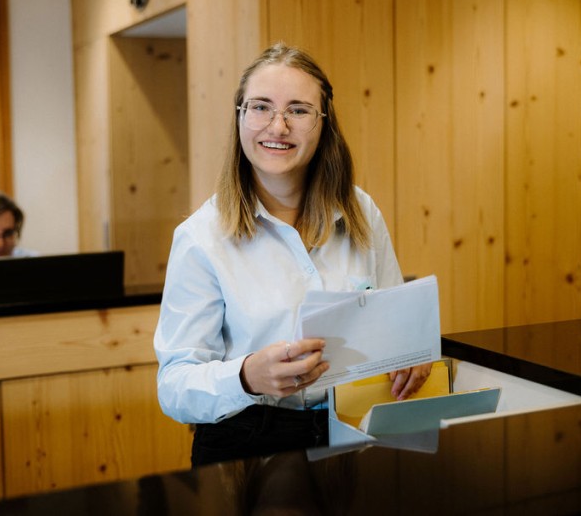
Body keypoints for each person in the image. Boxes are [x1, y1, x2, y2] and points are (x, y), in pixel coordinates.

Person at [154, 43, 432, 466]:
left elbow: (397, 330)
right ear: (240, 118)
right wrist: (246, 376)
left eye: (299, 110)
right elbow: (174, 387)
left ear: (323, 125)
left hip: (355, 431)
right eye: (261, 107)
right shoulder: (200, 237)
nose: (278, 125)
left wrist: (413, 359)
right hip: (247, 442)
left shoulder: (362, 212)